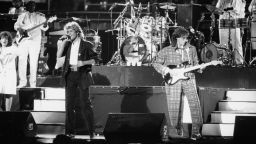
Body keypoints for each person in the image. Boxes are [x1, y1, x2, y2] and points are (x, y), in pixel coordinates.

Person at [152, 27, 203, 140]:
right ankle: (176, 129)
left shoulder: (192, 49)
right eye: (183, 38)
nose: (186, 40)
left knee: (195, 104)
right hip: (173, 80)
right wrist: (166, 70)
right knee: (174, 106)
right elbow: (155, 64)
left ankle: (196, 131)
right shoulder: (166, 50)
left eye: (186, 38)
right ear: (176, 38)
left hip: (189, 78)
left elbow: (196, 63)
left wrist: (200, 68)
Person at [56, 21, 98, 138]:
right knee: (69, 105)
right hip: (69, 75)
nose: (68, 33)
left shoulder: (87, 44)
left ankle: (91, 132)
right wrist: (62, 43)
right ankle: (70, 132)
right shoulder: (67, 44)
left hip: (82, 75)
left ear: (77, 32)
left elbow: (96, 60)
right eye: (67, 31)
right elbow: (59, 57)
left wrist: (82, 63)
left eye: (70, 31)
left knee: (85, 104)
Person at [14, 1, 49, 88]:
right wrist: (19, 29)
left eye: (33, 5)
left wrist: (45, 24)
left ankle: (33, 83)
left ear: (35, 7)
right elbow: (16, 25)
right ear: (26, 7)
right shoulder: (22, 15)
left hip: (35, 41)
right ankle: (22, 82)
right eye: (30, 5)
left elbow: (45, 28)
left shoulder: (40, 16)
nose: (31, 7)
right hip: (23, 41)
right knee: (22, 61)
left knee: (34, 62)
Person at [216, 0, 246, 65]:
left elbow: (242, 12)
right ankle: (225, 61)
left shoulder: (240, 1)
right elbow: (217, 9)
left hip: (234, 19)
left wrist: (242, 27)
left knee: (237, 42)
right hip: (224, 18)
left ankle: (239, 62)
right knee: (223, 43)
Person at [0, 31, 21, 111]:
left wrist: (17, 44)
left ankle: (7, 113)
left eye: (6, 38)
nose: (4, 40)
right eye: (2, 38)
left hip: (10, 74)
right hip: (1, 73)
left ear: (9, 40)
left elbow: (20, 52)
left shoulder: (13, 48)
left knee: (8, 93)